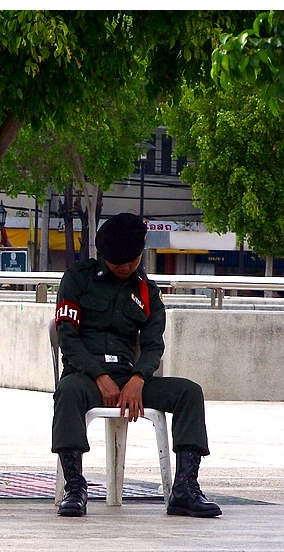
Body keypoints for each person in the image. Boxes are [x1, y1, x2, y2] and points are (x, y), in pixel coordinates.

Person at [52, 212, 221, 518]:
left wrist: (138, 379)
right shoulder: (78, 278)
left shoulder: (147, 291)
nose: (125, 267)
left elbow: (154, 344)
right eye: (118, 262)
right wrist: (99, 375)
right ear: (103, 255)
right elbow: (67, 337)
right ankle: (75, 487)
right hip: (86, 377)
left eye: (131, 261)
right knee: (67, 392)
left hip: (131, 379)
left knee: (189, 393)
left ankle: (185, 488)